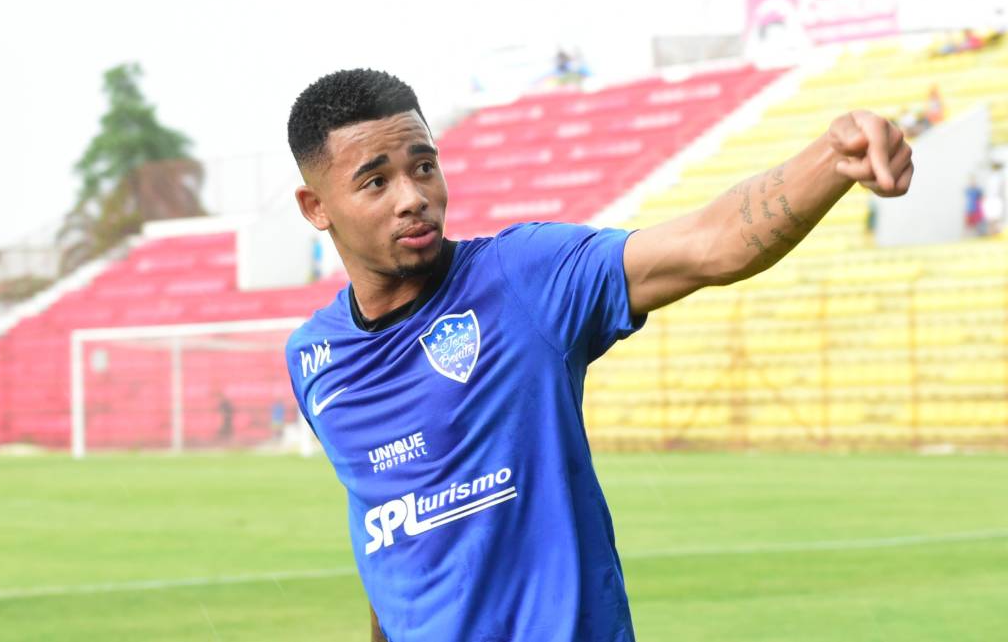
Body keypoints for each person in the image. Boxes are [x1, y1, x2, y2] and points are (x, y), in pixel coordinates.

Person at [283, 69, 914, 642]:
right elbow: (389, 527)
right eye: (376, 181)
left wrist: (834, 157)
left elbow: (710, 245)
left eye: (424, 167)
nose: (412, 196)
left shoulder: (523, 276)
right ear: (317, 207)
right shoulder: (315, 357)